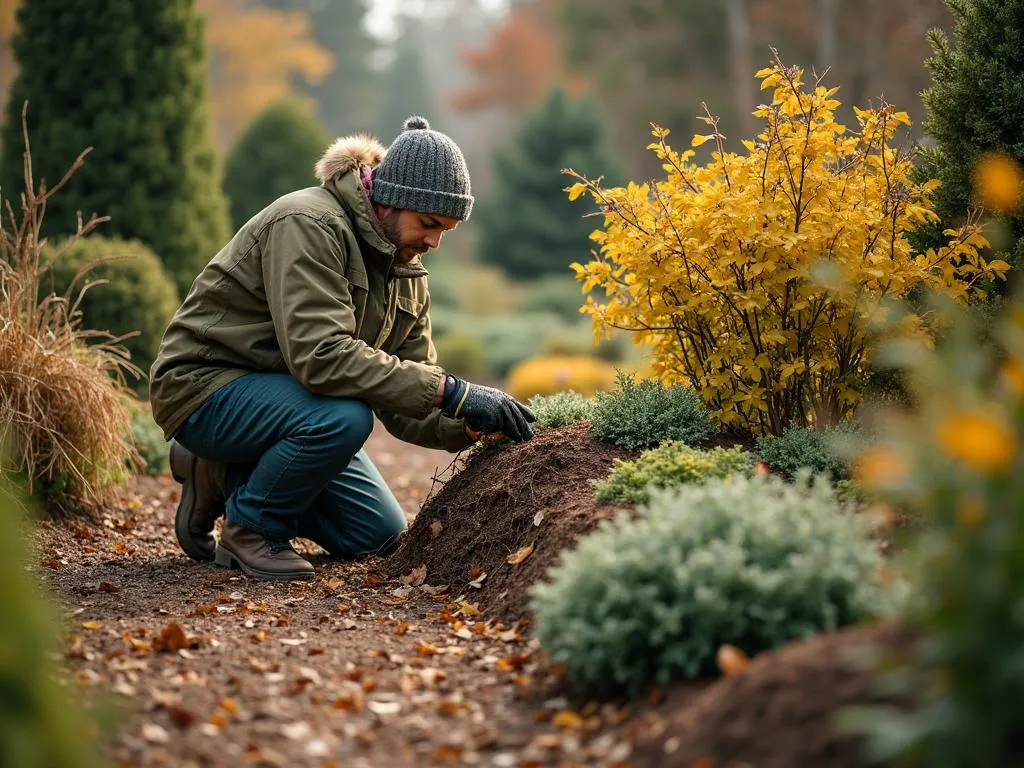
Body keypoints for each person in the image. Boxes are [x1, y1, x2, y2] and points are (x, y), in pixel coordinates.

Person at [149, 116, 536, 582]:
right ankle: (250, 530)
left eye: (446, 230)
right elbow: (322, 357)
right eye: (428, 223)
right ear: (388, 200)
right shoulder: (309, 223)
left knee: (376, 535)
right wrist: (453, 391)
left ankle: (221, 474)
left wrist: (469, 421)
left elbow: (407, 397)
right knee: (345, 417)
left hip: (290, 401)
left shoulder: (407, 272)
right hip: (205, 386)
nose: (434, 242)